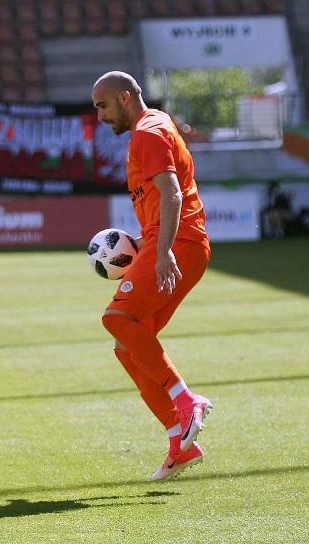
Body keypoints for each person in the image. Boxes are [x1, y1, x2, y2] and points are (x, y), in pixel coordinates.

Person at [92, 71, 213, 481]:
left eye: (103, 106)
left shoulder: (148, 131)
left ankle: (185, 401)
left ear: (125, 98)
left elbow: (174, 192)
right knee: (127, 345)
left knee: (116, 319)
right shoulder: (151, 129)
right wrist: (148, 245)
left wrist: (160, 253)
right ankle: (181, 441)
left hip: (177, 245)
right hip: (173, 243)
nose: (100, 116)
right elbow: (163, 197)